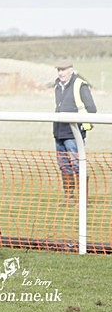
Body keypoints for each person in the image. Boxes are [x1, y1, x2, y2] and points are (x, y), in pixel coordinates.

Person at [53, 59, 97, 204]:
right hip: (59, 132)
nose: (60, 73)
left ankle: (83, 199)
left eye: (63, 70)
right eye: (58, 70)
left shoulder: (80, 85)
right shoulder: (57, 86)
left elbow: (92, 108)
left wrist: (83, 124)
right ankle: (69, 197)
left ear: (71, 70)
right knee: (64, 165)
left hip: (74, 133)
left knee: (78, 165)